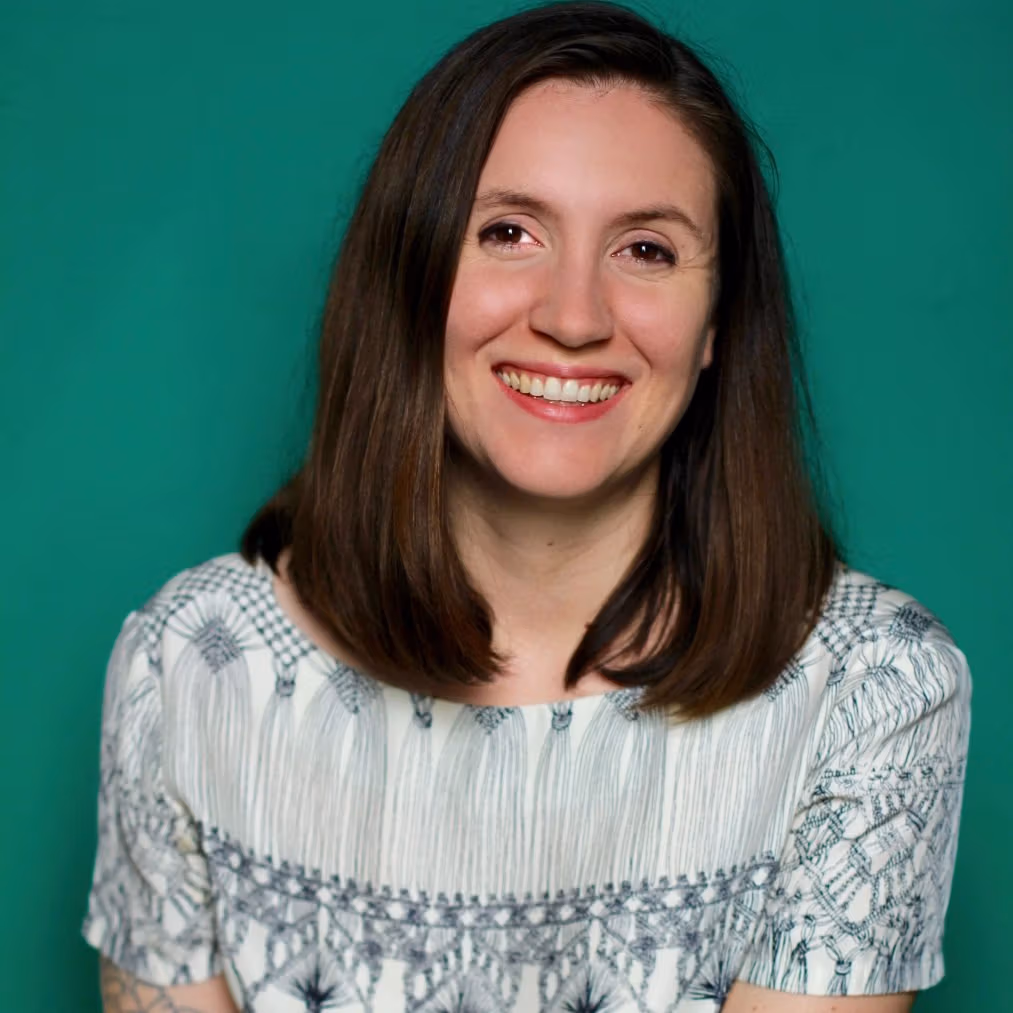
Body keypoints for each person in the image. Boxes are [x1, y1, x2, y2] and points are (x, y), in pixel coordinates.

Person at [81, 2, 972, 1011]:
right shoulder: (188, 669)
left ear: (717, 322)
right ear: (410, 277)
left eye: (645, 249)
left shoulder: (870, 692)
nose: (572, 316)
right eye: (507, 231)